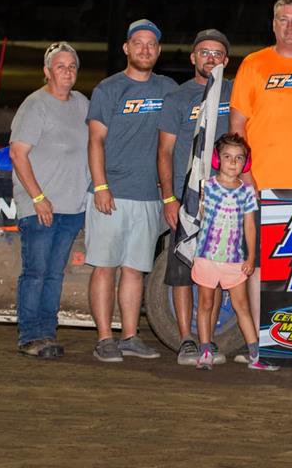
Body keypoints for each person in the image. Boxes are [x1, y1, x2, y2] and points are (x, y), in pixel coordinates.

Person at [228, 0, 292, 357]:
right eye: (283, 19)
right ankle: (260, 344)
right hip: (261, 185)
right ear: (273, 24)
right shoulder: (254, 64)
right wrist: (246, 175)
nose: (290, 26)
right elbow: (237, 125)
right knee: (258, 266)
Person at [85, 19, 177, 363]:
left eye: (151, 44)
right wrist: (100, 186)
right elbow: (95, 140)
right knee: (105, 267)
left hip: (149, 196)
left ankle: (129, 336)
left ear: (158, 50)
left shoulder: (168, 88)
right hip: (112, 192)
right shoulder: (109, 89)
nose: (145, 49)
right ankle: (104, 338)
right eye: (138, 43)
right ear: (126, 48)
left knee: (135, 269)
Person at [8, 42, 89, 359]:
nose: (67, 72)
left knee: (55, 274)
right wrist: (38, 197)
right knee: (36, 272)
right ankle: (30, 335)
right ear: (47, 72)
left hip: (71, 207)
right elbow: (18, 153)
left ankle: (47, 333)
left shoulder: (82, 104)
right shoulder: (35, 106)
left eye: (72, 66)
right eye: (60, 66)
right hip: (40, 206)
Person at [157, 28, 232, 365]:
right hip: (185, 200)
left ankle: (209, 338)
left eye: (217, 53)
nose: (211, 58)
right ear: (193, 58)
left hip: (223, 201)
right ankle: (186, 338)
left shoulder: (234, 94)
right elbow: (164, 151)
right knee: (182, 271)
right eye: (204, 52)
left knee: (213, 273)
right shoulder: (178, 98)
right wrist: (169, 199)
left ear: (226, 60)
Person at [186, 133, 277, 371]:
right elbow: (198, 218)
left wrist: (250, 257)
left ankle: (255, 354)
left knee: (242, 306)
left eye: (239, 158)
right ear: (218, 160)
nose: (233, 162)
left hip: (235, 260)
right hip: (206, 256)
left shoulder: (247, 192)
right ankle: (205, 350)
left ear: (245, 163)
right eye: (227, 157)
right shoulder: (206, 186)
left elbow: (249, 224)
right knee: (205, 303)